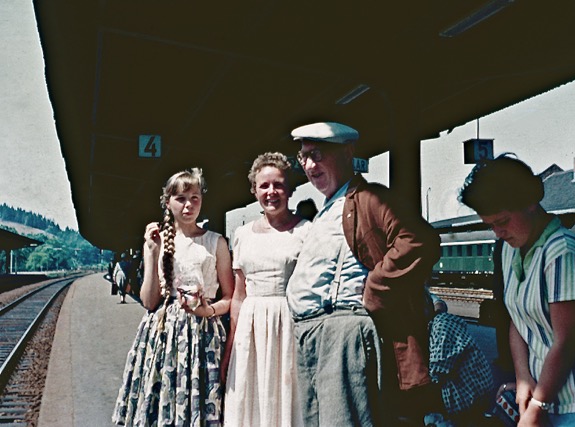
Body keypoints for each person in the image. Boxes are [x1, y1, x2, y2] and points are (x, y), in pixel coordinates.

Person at [286, 121, 442, 426]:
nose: (309, 164)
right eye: (303, 156)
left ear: (347, 153)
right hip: (311, 335)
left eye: (318, 154)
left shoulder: (368, 197)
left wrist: (374, 290)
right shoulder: (328, 207)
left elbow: (418, 241)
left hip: (340, 334)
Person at [458, 153, 575, 426]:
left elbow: (566, 340)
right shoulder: (509, 251)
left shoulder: (562, 253)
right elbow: (518, 321)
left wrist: (537, 404)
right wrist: (524, 379)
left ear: (530, 203)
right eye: (490, 225)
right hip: (547, 393)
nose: (498, 233)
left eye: (502, 221)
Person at [112, 167, 234, 426]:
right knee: (164, 405)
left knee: (201, 405)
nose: (189, 205)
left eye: (195, 198)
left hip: (205, 334)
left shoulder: (216, 242)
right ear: (168, 203)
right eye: (181, 198)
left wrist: (207, 311)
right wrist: (151, 252)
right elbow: (149, 302)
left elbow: (230, 298)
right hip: (163, 332)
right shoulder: (158, 242)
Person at [223, 152, 310, 426]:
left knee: (285, 398)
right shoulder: (242, 235)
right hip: (250, 328)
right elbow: (239, 296)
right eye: (264, 186)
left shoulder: (306, 231)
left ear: (290, 189)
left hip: (288, 324)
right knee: (249, 400)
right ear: (253, 190)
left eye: (279, 185)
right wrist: (229, 346)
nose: (271, 192)